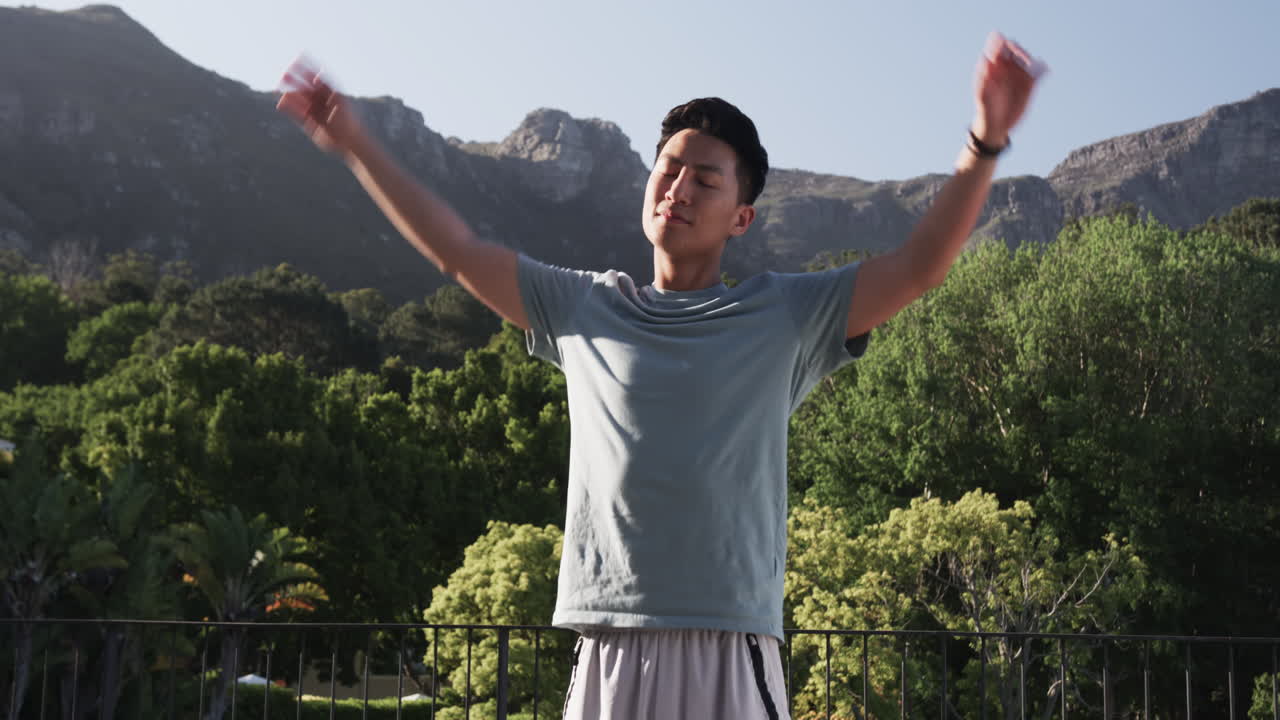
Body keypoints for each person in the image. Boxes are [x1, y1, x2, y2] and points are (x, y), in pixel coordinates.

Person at [278, 32, 1041, 720]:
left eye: (704, 181)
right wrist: (355, 144)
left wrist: (987, 137)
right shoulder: (581, 306)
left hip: (729, 643)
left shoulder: (785, 315)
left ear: (742, 217)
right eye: (668, 170)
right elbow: (458, 250)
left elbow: (919, 267)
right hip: (607, 643)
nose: (677, 189)